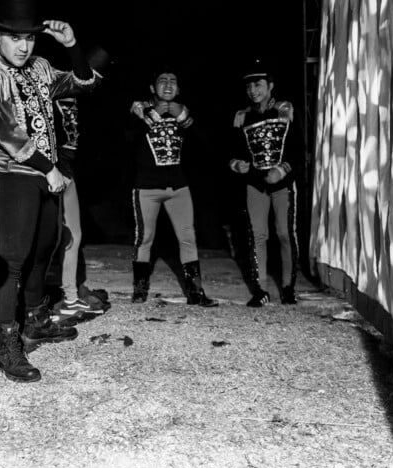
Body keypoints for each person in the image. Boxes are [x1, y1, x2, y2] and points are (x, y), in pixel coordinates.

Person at [0, 0, 104, 383]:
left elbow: (84, 84)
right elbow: (9, 136)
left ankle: (33, 319)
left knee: (46, 245)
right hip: (17, 176)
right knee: (13, 257)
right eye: (15, 37)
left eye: (29, 38)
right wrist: (49, 169)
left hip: (46, 177)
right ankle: (6, 345)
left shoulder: (41, 67)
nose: (23, 45)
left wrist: (72, 46)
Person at [127, 67, 218, 307]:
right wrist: (151, 115)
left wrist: (185, 118)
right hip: (147, 187)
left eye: (173, 81)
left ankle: (196, 293)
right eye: (162, 81)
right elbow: (126, 141)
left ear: (178, 89)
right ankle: (139, 290)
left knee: (188, 237)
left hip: (178, 187)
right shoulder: (139, 111)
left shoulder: (182, 113)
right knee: (145, 238)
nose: (168, 85)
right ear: (151, 88)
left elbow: (206, 145)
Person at [229, 58, 303, 307]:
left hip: (282, 184)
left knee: (284, 233)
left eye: (258, 85)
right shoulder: (242, 117)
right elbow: (231, 151)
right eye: (249, 87)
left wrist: (282, 171)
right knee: (258, 235)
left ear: (270, 86)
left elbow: (298, 150)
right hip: (255, 184)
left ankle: (288, 287)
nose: (253, 91)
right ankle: (260, 290)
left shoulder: (285, 110)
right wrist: (236, 164)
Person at [50, 45, 112, 317]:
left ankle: (71, 294)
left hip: (67, 173)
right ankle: (48, 300)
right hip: (51, 172)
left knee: (74, 236)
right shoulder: (56, 87)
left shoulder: (74, 96)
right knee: (53, 238)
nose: (91, 85)